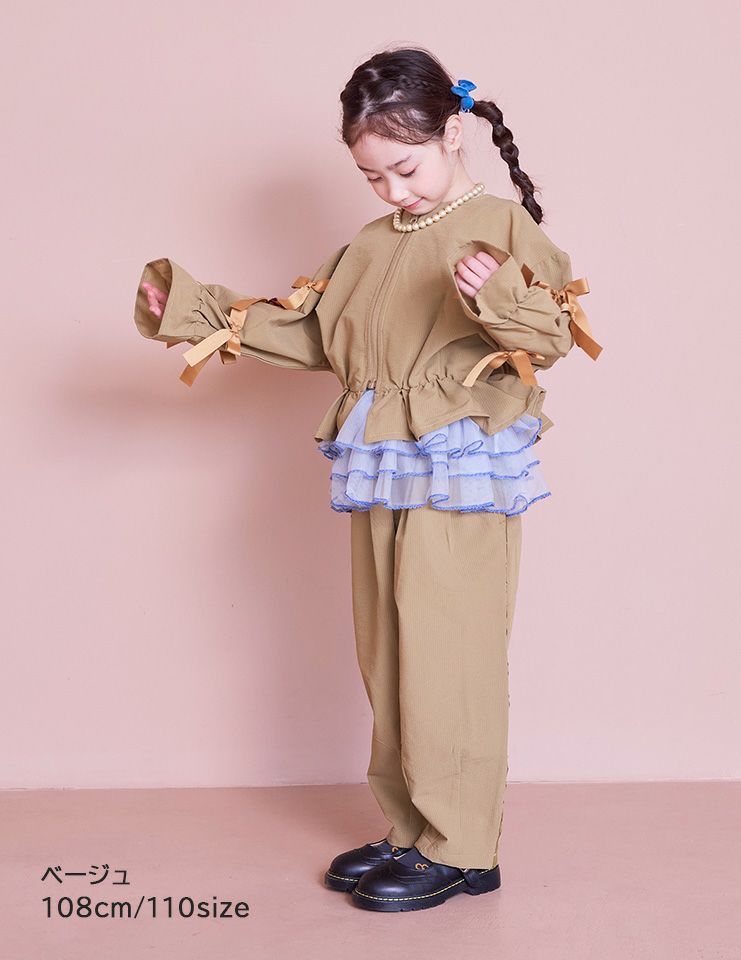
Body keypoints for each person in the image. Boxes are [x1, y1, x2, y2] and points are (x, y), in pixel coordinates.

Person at [134, 46, 601, 913]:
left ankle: (462, 845)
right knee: (388, 650)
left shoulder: (499, 225)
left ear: (452, 132)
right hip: (385, 460)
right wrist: (196, 313)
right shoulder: (371, 243)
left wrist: (499, 296)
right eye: (372, 177)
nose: (392, 192)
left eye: (405, 168)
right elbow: (317, 335)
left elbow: (552, 338)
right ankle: (411, 828)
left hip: (459, 461)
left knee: (448, 650)